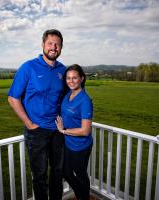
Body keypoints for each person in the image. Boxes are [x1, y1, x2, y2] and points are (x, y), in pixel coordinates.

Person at [8, 29, 65, 200]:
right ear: (43, 45)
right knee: (40, 176)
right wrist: (29, 123)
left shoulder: (62, 70)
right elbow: (12, 97)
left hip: (57, 131)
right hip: (37, 131)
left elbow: (66, 98)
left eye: (57, 44)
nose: (53, 47)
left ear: (61, 48)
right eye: (50, 43)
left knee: (57, 172)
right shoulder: (28, 67)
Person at [55, 64, 93, 200]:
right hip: (68, 143)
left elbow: (85, 130)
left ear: (81, 79)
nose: (71, 81)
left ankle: (83, 196)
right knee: (65, 171)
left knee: (81, 174)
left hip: (80, 146)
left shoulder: (85, 100)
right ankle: (81, 194)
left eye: (74, 78)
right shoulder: (68, 95)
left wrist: (63, 130)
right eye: (68, 78)